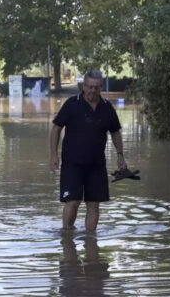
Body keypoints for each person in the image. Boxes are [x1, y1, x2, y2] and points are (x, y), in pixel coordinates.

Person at [50, 69, 127, 231]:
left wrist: (120, 155)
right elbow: (56, 128)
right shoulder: (72, 104)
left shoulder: (107, 107)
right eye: (90, 87)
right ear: (84, 86)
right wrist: (53, 155)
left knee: (94, 204)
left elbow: (115, 132)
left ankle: (90, 240)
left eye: (97, 87)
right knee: (73, 201)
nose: (93, 90)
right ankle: (67, 235)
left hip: (97, 164)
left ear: (101, 87)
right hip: (72, 162)